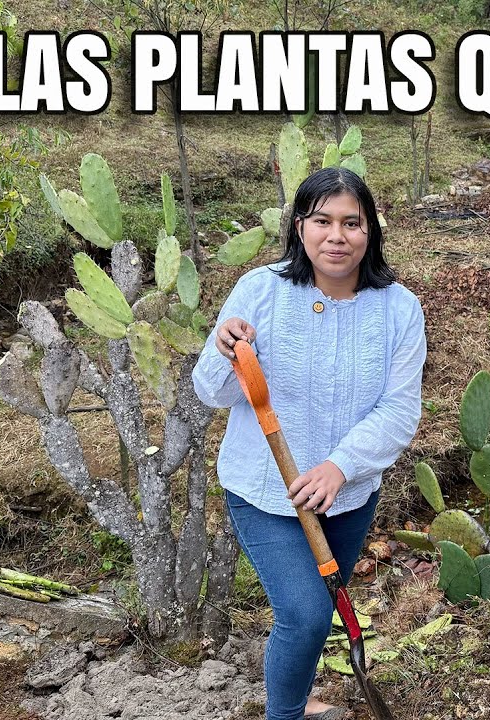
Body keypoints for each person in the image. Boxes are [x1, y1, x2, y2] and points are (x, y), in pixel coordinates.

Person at [192, 167, 425, 720]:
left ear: (370, 233)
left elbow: (400, 408)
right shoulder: (261, 290)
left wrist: (339, 467)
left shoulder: (398, 309)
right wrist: (224, 350)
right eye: (322, 221)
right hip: (265, 491)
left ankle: (294, 695)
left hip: (347, 495)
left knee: (317, 607)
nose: (336, 236)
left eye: (352, 222)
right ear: (300, 227)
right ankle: (286, 715)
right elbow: (212, 391)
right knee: (305, 615)